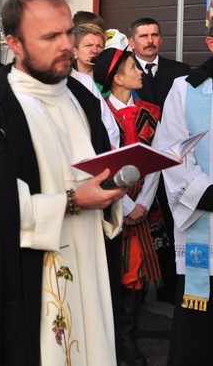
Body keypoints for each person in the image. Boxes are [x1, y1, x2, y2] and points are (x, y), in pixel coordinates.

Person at [0, 0, 125, 365]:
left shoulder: (82, 100)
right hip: (29, 289)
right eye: (50, 36)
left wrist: (113, 185)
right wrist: (72, 201)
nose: (66, 46)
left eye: (68, 32)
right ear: (15, 44)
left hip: (89, 269)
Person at [93, 48, 166, 366]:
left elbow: (157, 161)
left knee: (136, 278)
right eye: (133, 66)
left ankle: (128, 340)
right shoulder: (100, 113)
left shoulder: (152, 111)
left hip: (142, 207)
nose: (140, 70)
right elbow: (102, 165)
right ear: (118, 78)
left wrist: (145, 203)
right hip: (114, 207)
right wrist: (127, 205)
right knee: (114, 275)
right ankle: (116, 345)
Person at [153, 23, 213, 365]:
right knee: (198, 334)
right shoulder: (186, 90)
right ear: (210, 42)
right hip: (205, 218)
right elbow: (171, 149)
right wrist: (207, 193)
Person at [128, 17, 191, 303]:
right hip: (142, 164)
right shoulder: (124, 74)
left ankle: (170, 290)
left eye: (155, 34)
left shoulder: (182, 73)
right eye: (143, 36)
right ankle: (138, 291)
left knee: (172, 221)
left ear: (161, 39)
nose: (150, 40)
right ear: (132, 42)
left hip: (177, 161)